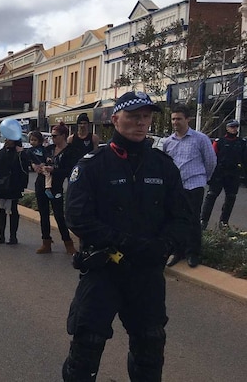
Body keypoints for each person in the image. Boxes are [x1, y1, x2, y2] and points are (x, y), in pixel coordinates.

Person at [62, 90, 192, 381]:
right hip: (104, 269)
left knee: (150, 348)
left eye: (146, 117)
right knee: (86, 349)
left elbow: (183, 218)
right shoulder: (93, 164)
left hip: (146, 274)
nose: (141, 123)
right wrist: (124, 242)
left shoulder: (163, 165)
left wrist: (166, 244)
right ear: (115, 119)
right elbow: (77, 217)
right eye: (134, 117)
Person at [161, 103, 216, 268]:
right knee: (176, 220)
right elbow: (166, 165)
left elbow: (211, 162)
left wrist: (203, 178)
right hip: (175, 188)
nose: (175, 122)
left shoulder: (200, 139)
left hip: (194, 185)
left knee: (192, 220)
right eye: (173, 119)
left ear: (188, 119)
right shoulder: (167, 142)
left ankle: (193, 253)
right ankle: (177, 251)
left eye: (178, 119)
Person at [33, 124, 79, 255]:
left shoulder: (70, 151)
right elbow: (35, 158)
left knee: (59, 215)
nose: (52, 138)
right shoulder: (49, 149)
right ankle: (46, 242)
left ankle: (68, 242)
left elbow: (70, 170)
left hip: (56, 186)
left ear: (63, 136)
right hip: (41, 183)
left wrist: (54, 170)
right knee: (43, 214)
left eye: (55, 136)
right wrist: (36, 165)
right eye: (51, 136)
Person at [199, 119, 246, 231]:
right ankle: (203, 221)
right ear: (227, 128)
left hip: (233, 175)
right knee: (211, 197)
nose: (234, 129)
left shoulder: (242, 143)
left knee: (230, 199)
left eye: (236, 127)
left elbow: (245, 160)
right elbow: (211, 158)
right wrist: (209, 175)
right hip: (219, 174)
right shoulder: (219, 142)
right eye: (232, 127)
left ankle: (224, 223)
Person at [0, 118, 29, 245]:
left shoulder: (20, 154)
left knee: (13, 211)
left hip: (13, 186)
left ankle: (13, 236)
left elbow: (24, 170)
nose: (7, 140)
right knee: (1, 211)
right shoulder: (0, 153)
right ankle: (1, 235)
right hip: (1, 186)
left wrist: (21, 185)